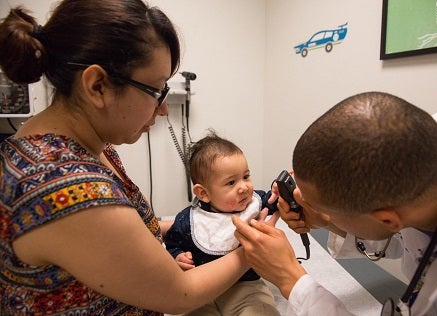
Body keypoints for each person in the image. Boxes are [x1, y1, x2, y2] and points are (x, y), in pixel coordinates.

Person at [0, 1, 252, 314]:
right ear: (98, 86)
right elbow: (180, 294)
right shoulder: (62, 188)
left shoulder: (86, 147)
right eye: (157, 90)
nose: (162, 109)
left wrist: (200, 221)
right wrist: (254, 249)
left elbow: (124, 231)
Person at [233, 91, 437, 315]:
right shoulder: (427, 142)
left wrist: (289, 277)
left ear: (388, 219)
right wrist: (329, 221)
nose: (308, 207)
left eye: (321, 208)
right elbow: (404, 237)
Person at [165, 130, 280, 316]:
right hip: (203, 291)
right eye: (231, 183)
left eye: (246, 176)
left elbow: (272, 203)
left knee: (262, 310)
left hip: (246, 286)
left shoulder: (254, 204)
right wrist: (178, 256)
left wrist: (279, 193)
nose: (243, 187)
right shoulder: (187, 221)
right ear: (203, 193)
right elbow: (172, 243)